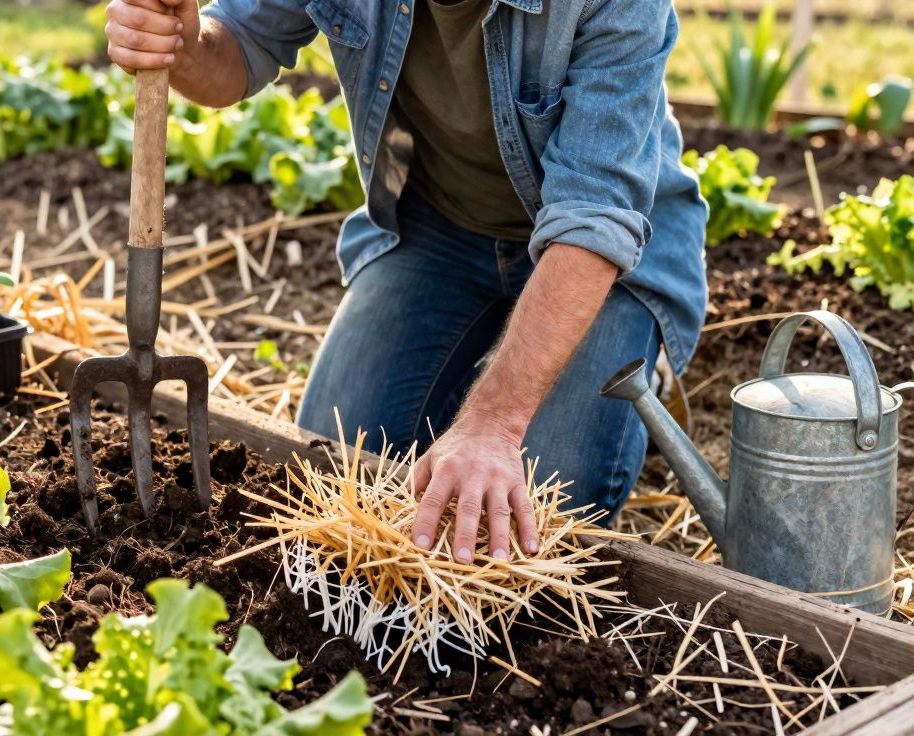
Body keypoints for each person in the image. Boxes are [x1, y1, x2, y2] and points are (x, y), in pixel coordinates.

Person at [103, 0, 708, 563]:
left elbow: (594, 220)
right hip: (440, 229)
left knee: (536, 522)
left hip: (597, 259)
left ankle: (603, 367)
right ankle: (504, 361)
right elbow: (240, 45)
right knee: (331, 478)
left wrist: (494, 423)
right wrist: (182, 45)